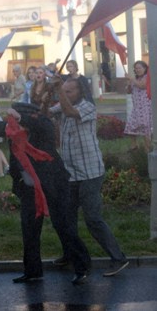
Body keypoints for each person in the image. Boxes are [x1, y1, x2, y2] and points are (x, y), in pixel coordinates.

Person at [0, 103, 91, 285]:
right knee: (29, 230)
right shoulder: (13, 131)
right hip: (29, 189)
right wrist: (12, 124)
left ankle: (82, 267)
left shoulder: (42, 127)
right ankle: (33, 271)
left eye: (17, 119)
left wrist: (22, 120)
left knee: (64, 226)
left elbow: (43, 125)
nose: (14, 124)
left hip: (54, 186)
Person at [52, 77, 129, 277]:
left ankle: (118, 258)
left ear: (80, 92)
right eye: (65, 91)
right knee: (65, 219)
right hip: (71, 174)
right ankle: (71, 254)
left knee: (93, 219)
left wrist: (58, 89)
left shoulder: (87, 107)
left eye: (70, 91)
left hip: (90, 173)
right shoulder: (62, 105)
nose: (66, 94)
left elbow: (69, 111)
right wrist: (44, 91)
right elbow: (44, 112)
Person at [124, 60, 152, 152]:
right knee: (131, 126)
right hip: (136, 108)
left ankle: (148, 149)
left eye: (139, 68)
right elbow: (129, 92)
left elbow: (142, 86)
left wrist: (132, 79)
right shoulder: (135, 79)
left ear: (145, 68)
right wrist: (128, 84)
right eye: (136, 68)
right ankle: (134, 146)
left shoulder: (147, 77)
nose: (137, 70)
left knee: (145, 128)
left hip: (145, 107)